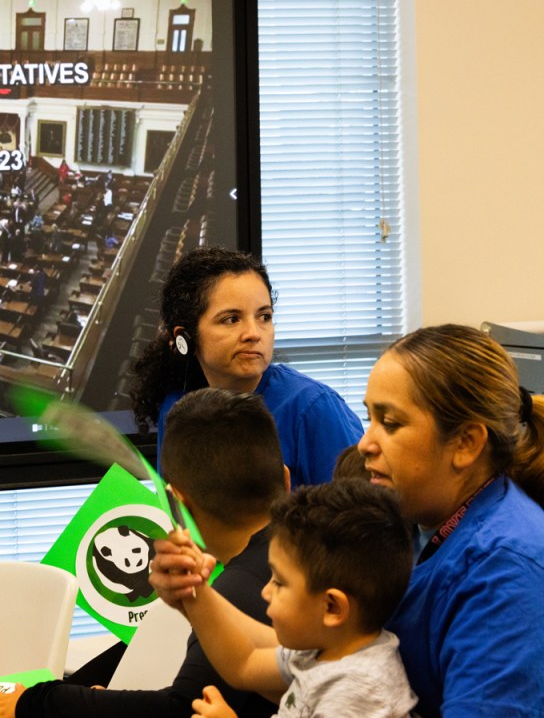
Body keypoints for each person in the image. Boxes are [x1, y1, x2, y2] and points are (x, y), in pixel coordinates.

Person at [153, 324, 544, 718]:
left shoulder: (506, 571)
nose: (365, 443)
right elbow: (256, 660)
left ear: (466, 443)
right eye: (369, 418)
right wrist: (193, 592)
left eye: (389, 424)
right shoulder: (411, 527)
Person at [0, 388, 289, 718]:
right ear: (285, 481)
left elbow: (184, 708)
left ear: (176, 504)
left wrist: (37, 703)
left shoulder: (242, 589)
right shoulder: (313, 559)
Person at [167, 479, 417, 718]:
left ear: (332, 607)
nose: (265, 592)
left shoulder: (355, 693)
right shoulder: (323, 649)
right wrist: (193, 589)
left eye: (279, 582)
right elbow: (243, 664)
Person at [133, 247, 360, 487]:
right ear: (185, 337)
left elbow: (361, 515)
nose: (253, 334)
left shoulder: (313, 408)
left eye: (264, 317)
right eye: (231, 319)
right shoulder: (176, 407)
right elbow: (176, 511)